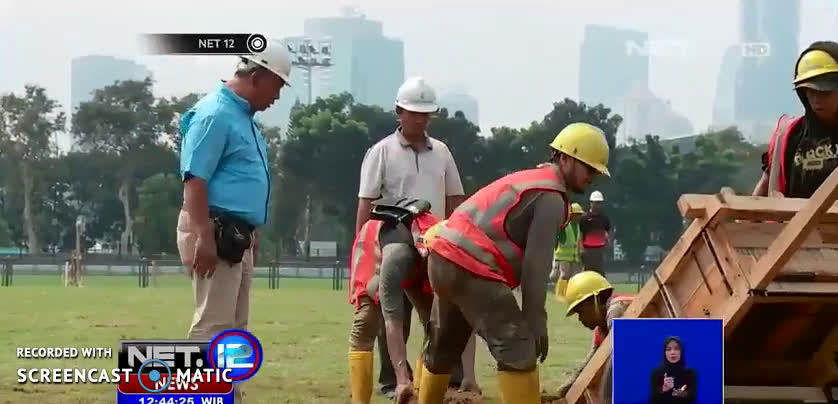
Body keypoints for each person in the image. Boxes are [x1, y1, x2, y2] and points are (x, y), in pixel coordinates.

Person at [417, 122, 611, 404]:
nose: (592, 177)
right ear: (565, 158)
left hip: (442, 256)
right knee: (518, 349)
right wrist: (536, 320)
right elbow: (536, 265)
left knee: (442, 345)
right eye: (589, 168)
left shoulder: (530, 179)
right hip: (471, 264)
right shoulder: (551, 197)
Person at [176, 39, 291, 404]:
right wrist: (203, 236)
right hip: (214, 229)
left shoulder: (242, 118)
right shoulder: (215, 114)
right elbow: (195, 179)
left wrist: (252, 229)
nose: (277, 96)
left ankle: (228, 397)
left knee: (234, 329)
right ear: (257, 77)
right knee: (212, 325)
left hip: (236, 235)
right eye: (277, 86)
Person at [355, 76, 469, 398]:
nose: (420, 119)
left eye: (425, 114)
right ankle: (394, 381)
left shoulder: (442, 152)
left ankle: (446, 378)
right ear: (399, 112)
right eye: (414, 113)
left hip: (435, 243)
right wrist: (362, 252)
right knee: (393, 310)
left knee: (442, 312)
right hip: (395, 238)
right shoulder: (381, 152)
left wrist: (457, 240)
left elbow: (455, 199)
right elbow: (366, 203)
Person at [347, 198, 478, 404]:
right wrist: (401, 379)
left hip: (421, 254)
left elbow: (463, 317)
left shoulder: (453, 257)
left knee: (435, 326)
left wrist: (469, 375)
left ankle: (420, 393)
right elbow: (392, 322)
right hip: (380, 246)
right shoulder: (396, 259)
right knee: (367, 319)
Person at [753, 41, 838, 198]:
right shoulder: (789, 135)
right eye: (810, 91)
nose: (817, 99)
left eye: (824, 91)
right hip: (795, 215)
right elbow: (764, 187)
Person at [557, 271, 635, 404]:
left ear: (594, 301)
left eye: (580, 311)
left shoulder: (617, 310)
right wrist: (568, 387)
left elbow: (617, 355)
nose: (580, 318)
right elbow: (589, 364)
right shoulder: (601, 331)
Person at [551, 202, 585, 301]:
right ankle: (560, 294)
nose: (579, 217)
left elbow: (578, 242)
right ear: (572, 215)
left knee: (574, 277)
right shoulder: (565, 226)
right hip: (563, 256)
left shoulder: (578, 227)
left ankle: (571, 294)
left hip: (574, 257)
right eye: (578, 214)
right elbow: (557, 238)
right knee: (565, 275)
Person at [649, 336, 697, 404]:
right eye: (668, 349)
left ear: (681, 352)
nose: (672, 352)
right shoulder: (656, 373)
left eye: (676, 349)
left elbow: (693, 398)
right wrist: (663, 389)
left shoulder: (690, 373)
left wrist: (683, 394)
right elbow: (652, 400)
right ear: (664, 353)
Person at [580, 191, 610, 275]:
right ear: (591, 203)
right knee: (587, 273)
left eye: (599, 203)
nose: (598, 205)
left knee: (600, 273)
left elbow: (607, 232)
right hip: (588, 250)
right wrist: (581, 249)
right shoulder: (585, 218)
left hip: (600, 251)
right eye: (596, 203)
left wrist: (607, 244)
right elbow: (581, 234)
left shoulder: (604, 218)